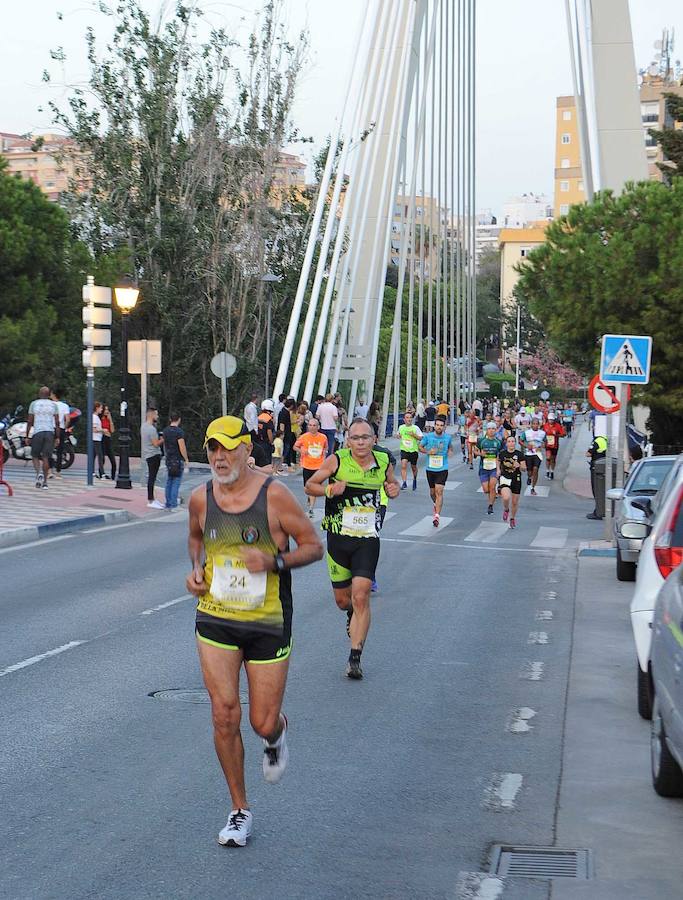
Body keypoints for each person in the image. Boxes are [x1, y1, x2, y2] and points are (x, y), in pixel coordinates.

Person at [186, 415, 322, 847]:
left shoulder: (275, 497)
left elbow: (314, 547)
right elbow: (195, 539)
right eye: (212, 448)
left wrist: (274, 562)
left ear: (248, 450)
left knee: (260, 722)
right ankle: (239, 810)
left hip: (267, 622)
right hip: (216, 618)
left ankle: (276, 731)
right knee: (224, 712)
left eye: (228, 447)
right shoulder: (200, 499)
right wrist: (195, 572)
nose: (220, 457)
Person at [305, 418, 400, 679]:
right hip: (338, 537)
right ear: (348, 440)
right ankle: (350, 614)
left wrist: (393, 489)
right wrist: (330, 489)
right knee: (343, 600)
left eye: (365, 437)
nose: (360, 442)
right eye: (355, 438)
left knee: (361, 596)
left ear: (373, 439)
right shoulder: (337, 460)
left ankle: (355, 657)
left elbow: (392, 485)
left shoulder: (382, 462)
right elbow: (309, 485)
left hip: (367, 538)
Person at [418, 415, 454, 527]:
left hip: (442, 468)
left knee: (439, 491)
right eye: (437, 425)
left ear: (444, 427)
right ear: (434, 426)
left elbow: (450, 447)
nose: (439, 427)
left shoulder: (448, 438)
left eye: (441, 426)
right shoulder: (428, 437)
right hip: (430, 469)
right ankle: (435, 504)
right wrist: (428, 452)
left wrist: (450, 452)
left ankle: (437, 516)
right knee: (432, 493)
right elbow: (420, 447)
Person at [293, 416, 328, 517]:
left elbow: (326, 448)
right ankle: (309, 496)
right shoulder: (304, 437)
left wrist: (324, 454)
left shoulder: (323, 437)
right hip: (307, 465)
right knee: (306, 488)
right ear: (308, 426)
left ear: (318, 427)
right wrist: (301, 451)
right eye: (310, 425)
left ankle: (311, 508)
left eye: (314, 425)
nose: (312, 427)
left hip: (318, 466)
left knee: (313, 487)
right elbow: (295, 447)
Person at [25, 385, 59, 490]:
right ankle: (45, 483)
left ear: (39, 394)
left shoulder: (34, 404)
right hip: (49, 432)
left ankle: (38, 473)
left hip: (38, 432)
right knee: (46, 457)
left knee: (34, 455)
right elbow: (57, 422)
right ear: (49, 395)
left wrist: (27, 435)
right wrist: (57, 437)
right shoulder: (54, 405)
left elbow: (30, 421)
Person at [497, 434, 526, 528]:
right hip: (505, 477)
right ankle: (506, 509)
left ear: (515, 443)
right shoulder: (502, 453)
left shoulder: (519, 454)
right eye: (509, 441)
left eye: (513, 441)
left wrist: (520, 466)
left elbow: (524, 468)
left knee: (514, 502)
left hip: (516, 478)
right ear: (506, 443)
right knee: (506, 497)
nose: (511, 443)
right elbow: (498, 461)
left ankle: (512, 518)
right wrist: (498, 470)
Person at [162, 411, 189, 509]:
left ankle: (168, 502)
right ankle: (173, 504)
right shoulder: (179, 432)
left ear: (170, 419)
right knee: (176, 482)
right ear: (179, 419)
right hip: (177, 459)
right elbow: (182, 447)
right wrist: (186, 458)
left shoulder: (165, 431)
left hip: (169, 458)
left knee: (169, 481)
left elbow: (165, 445)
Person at [141, 406, 164, 508]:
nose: (157, 416)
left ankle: (153, 499)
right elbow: (156, 443)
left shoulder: (143, 427)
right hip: (154, 454)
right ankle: (151, 500)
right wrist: (163, 439)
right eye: (156, 414)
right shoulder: (151, 429)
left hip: (147, 454)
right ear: (151, 415)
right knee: (152, 477)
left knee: (152, 477)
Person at [477, 421, 502, 515]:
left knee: (492, 487)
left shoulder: (498, 442)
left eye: (493, 429)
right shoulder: (481, 441)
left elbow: (499, 456)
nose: (491, 431)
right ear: (486, 430)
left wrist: (499, 469)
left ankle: (490, 505)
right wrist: (480, 453)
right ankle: (492, 495)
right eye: (489, 429)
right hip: (483, 468)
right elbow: (475, 451)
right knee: (486, 489)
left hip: (494, 468)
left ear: (496, 430)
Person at [395, 411, 423, 491]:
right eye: (407, 418)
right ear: (404, 419)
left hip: (413, 451)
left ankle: (414, 479)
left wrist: (413, 435)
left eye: (410, 418)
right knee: (403, 465)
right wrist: (398, 435)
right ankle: (404, 482)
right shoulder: (401, 427)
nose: (409, 419)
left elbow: (421, 438)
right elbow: (398, 434)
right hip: (404, 450)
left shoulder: (415, 428)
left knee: (413, 467)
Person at [49, 387, 71, 479]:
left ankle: (50, 471)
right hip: (60, 429)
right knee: (60, 451)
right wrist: (65, 427)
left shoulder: (50, 405)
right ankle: (58, 472)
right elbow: (68, 419)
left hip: (50, 428)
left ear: (53, 394)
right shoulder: (64, 406)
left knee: (49, 450)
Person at [521, 417, 546, 496]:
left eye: (536, 424)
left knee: (535, 469)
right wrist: (526, 445)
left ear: (539, 425)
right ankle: (529, 477)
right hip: (528, 454)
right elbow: (520, 441)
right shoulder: (526, 432)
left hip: (537, 454)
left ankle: (533, 488)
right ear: (531, 424)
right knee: (530, 472)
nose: (535, 425)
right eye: (534, 424)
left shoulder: (542, 433)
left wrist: (542, 446)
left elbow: (545, 442)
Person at [586, 433, 608, 520]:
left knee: (596, 490)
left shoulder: (597, 441)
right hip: (603, 467)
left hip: (596, 468)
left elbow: (588, 454)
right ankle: (599, 510)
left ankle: (598, 512)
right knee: (601, 490)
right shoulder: (605, 440)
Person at [543, 413, 566, 480]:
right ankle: (547, 471)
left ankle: (552, 472)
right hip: (547, 445)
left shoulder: (557, 426)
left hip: (555, 445)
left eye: (552, 420)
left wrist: (556, 435)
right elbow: (542, 434)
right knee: (548, 458)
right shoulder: (545, 426)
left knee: (553, 459)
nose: (551, 421)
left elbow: (563, 435)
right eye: (550, 420)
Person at [277, 398, 295, 473]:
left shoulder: (283, 411)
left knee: (285, 449)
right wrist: (282, 434)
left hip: (286, 433)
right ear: (291, 405)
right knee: (284, 450)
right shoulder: (285, 412)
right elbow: (282, 423)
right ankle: (280, 466)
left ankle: (282, 464)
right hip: (285, 434)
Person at [100, 403, 117, 480]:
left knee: (113, 461)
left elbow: (112, 430)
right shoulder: (99, 419)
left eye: (108, 410)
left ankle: (113, 477)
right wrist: (104, 431)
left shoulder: (108, 419)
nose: (107, 411)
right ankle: (101, 474)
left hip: (108, 440)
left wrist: (110, 419)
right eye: (105, 409)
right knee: (102, 459)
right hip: (102, 439)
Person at [92, 401, 105, 479]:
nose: (101, 409)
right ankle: (102, 473)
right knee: (100, 456)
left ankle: (92, 472)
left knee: (93, 456)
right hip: (96, 439)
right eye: (101, 408)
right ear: (97, 408)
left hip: (96, 438)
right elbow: (94, 429)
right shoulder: (94, 417)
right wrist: (103, 430)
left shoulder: (95, 417)